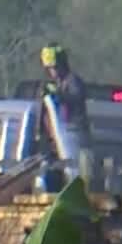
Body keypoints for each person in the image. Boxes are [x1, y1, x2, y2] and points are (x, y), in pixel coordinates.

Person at [37, 44, 91, 188]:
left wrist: (59, 95)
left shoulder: (73, 81)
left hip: (73, 135)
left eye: (54, 68)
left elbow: (76, 97)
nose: (51, 72)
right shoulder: (57, 83)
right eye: (49, 69)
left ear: (62, 65)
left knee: (73, 170)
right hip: (60, 138)